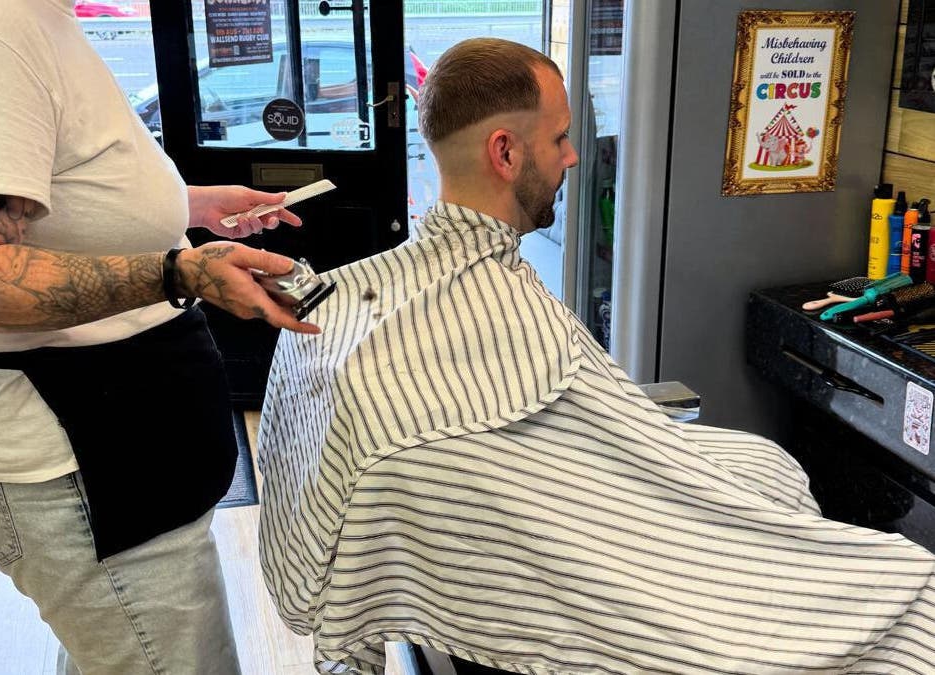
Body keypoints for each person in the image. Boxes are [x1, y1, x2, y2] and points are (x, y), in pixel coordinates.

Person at [257, 37, 935, 674]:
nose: (574, 156)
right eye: (559, 138)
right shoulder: (488, 307)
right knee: (909, 591)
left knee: (767, 466)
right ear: (505, 153)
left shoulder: (357, 298)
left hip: (539, 498)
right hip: (568, 547)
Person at [0, 1, 321, 673]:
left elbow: (72, 185)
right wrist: (180, 271)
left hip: (130, 452)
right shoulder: (7, 28)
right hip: (88, 473)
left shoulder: (47, 20)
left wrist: (188, 205)